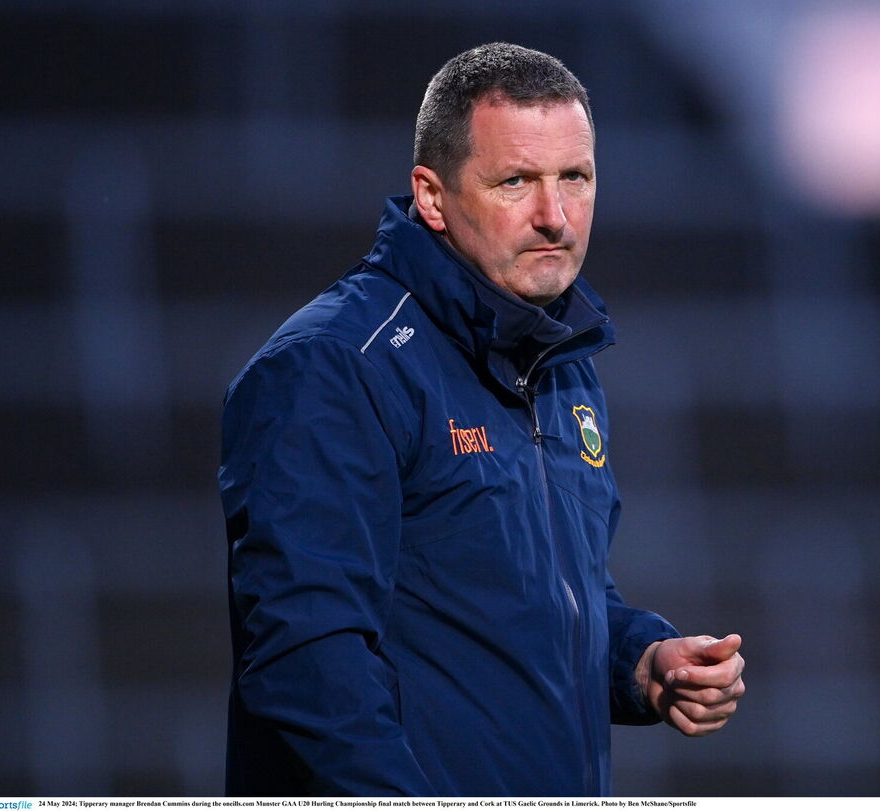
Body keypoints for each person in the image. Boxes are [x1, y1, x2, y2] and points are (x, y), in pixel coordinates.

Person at [219, 42, 745, 797]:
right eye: (516, 182)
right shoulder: (336, 365)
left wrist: (640, 659)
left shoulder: (561, 363)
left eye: (576, 178)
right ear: (433, 197)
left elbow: (537, 609)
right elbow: (308, 664)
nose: (554, 216)